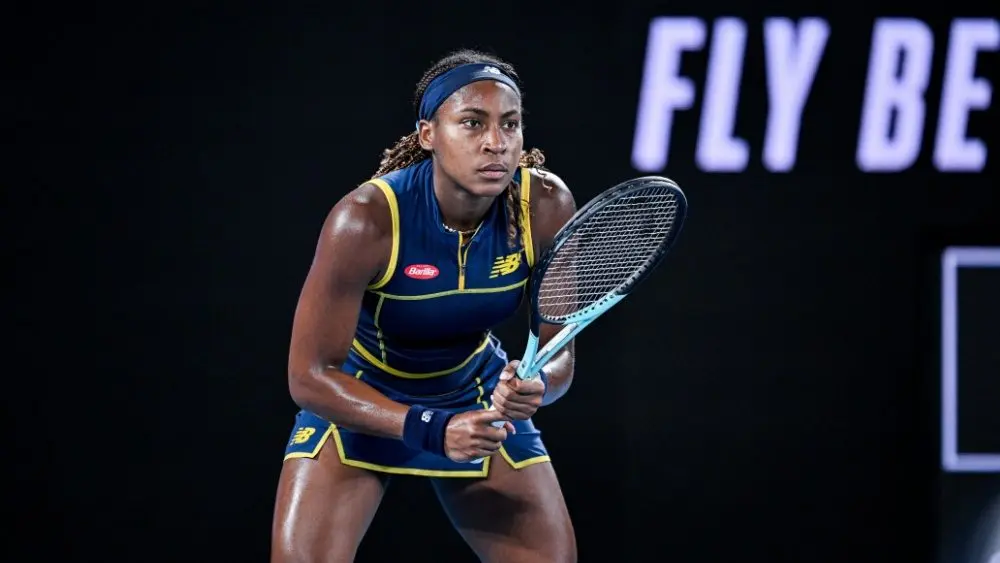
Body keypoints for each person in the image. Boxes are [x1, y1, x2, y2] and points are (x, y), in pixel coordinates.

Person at [270, 48, 579, 563]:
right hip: (362, 395)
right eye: (472, 123)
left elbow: (561, 355)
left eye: (510, 124)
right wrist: (431, 428)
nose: (496, 144)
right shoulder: (365, 220)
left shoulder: (545, 206)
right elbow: (307, 376)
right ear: (428, 135)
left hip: (474, 391)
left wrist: (538, 386)